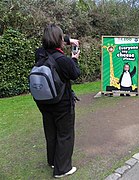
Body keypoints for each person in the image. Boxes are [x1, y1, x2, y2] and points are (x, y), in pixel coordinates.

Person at [35, 24, 80, 178]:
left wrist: (69, 40)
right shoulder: (64, 60)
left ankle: (53, 161)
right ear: (59, 39)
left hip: (44, 102)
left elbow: (50, 44)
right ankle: (62, 169)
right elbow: (75, 74)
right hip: (62, 102)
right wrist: (74, 59)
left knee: (51, 132)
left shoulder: (40, 54)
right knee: (65, 134)